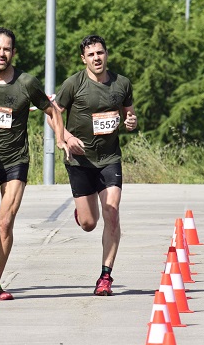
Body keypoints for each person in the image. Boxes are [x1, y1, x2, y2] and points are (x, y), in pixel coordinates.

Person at [0, 27, 68, 300]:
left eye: (7, 49)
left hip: (15, 161)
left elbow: (52, 110)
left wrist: (60, 136)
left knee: (8, 224)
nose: (2, 53)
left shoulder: (26, 82)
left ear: (13, 52)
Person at [49, 35, 137, 296]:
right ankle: (82, 213)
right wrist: (66, 137)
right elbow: (54, 114)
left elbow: (129, 114)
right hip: (80, 161)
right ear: (83, 59)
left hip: (110, 159)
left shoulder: (122, 83)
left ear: (106, 54)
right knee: (89, 223)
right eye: (91, 55)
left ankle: (105, 276)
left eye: (100, 53)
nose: (97, 58)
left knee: (112, 211)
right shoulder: (73, 84)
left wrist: (131, 122)